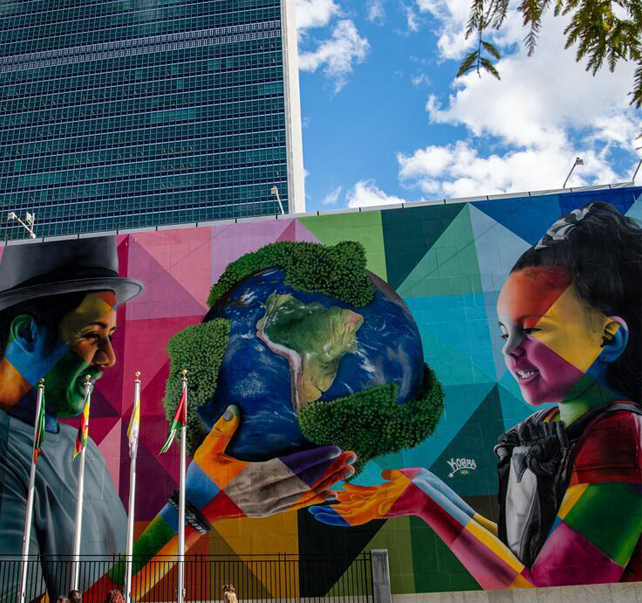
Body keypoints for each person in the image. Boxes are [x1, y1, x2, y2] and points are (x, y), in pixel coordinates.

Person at [0, 236, 355, 602]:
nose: (109, 358)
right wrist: (193, 510)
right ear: (26, 333)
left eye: (111, 336)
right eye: (91, 335)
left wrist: (194, 511)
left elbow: (114, 593)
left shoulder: (84, 451)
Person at [311, 202, 642, 588]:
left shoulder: (620, 436)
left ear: (609, 337)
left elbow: (551, 592)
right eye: (505, 333)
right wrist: (427, 486)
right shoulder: (549, 428)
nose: (509, 350)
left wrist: (428, 503)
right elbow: (517, 555)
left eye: (533, 330)